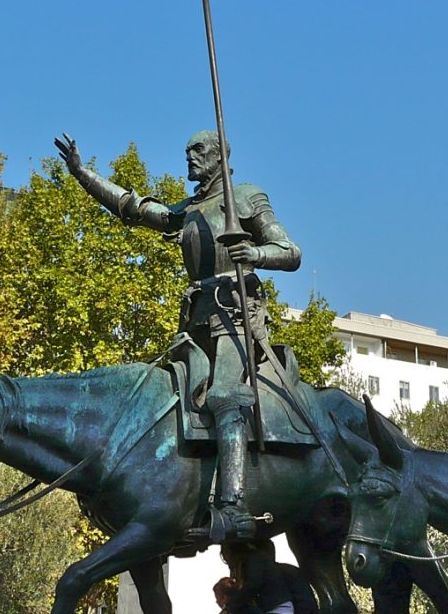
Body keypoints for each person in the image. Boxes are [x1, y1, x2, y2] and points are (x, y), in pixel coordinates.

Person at [56, 130, 301, 541]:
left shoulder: (246, 197)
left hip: (235, 319)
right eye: (187, 151)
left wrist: (255, 254)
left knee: (224, 395)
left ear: (221, 155)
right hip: (195, 321)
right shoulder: (188, 209)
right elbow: (132, 207)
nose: (189, 157)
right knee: (158, 402)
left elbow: (291, 252)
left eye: (199, 151)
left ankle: (233, 508)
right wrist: (83, 174)